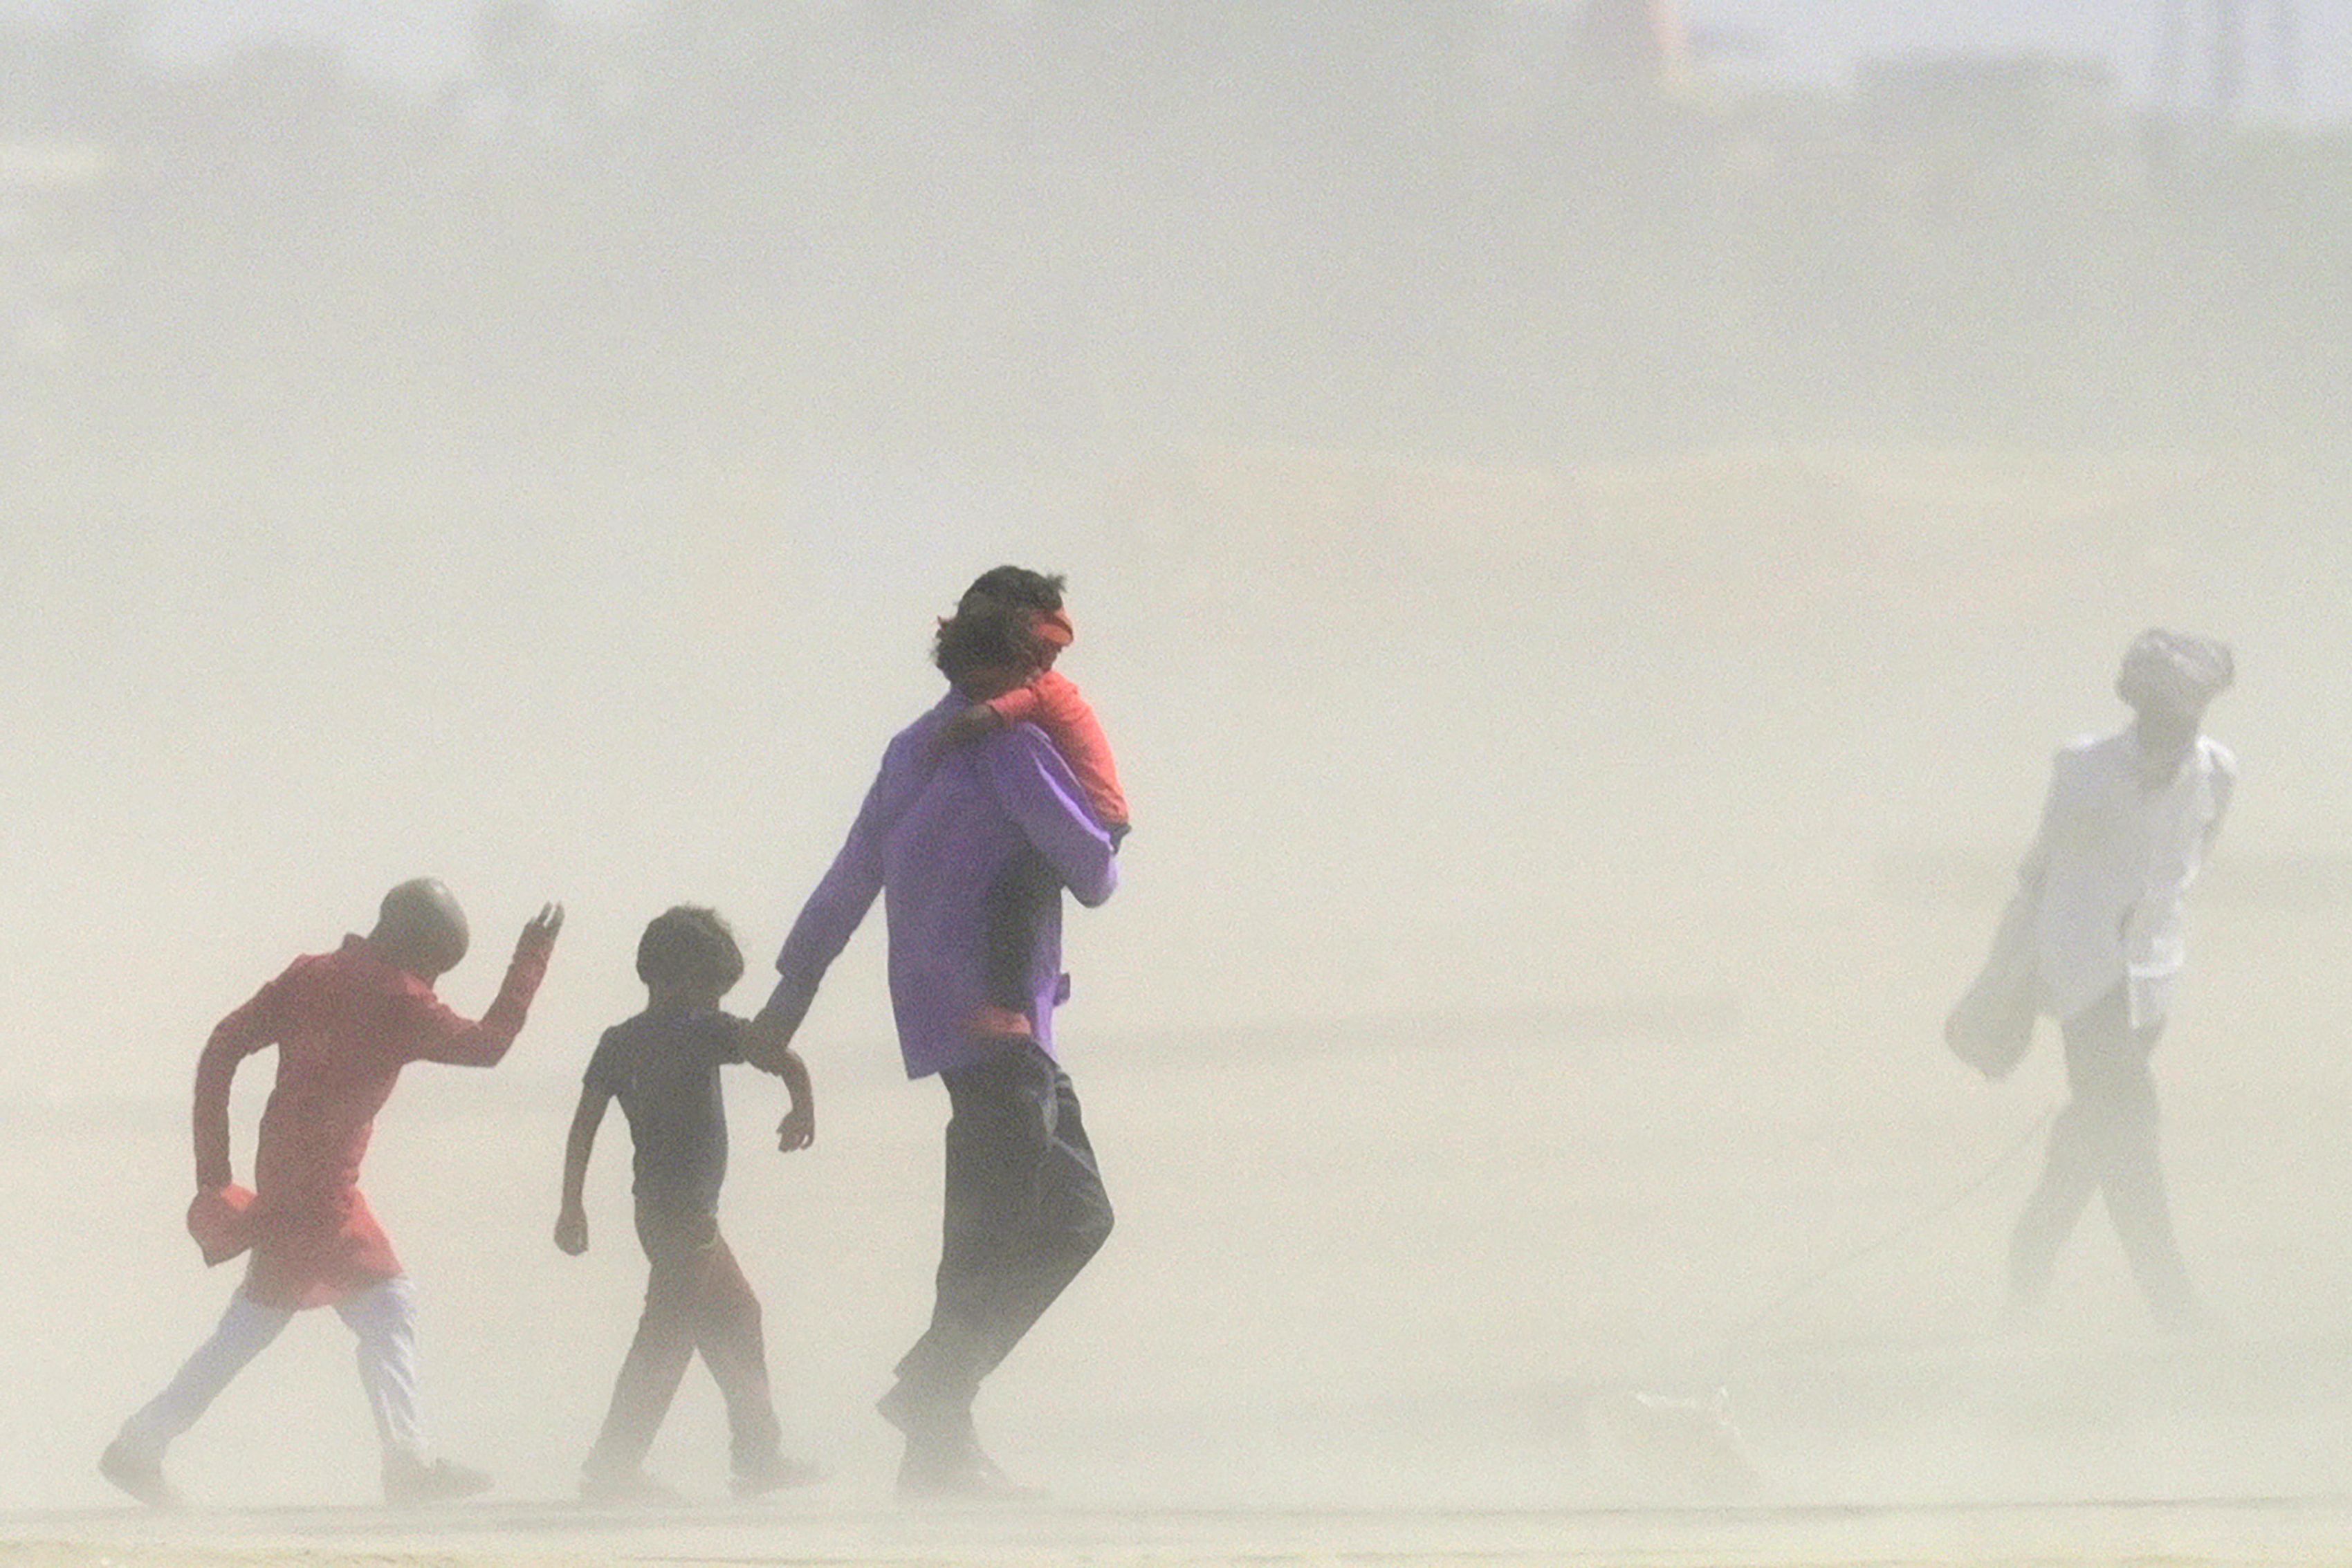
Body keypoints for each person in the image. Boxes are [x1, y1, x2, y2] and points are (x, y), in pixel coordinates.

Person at [745, 569, 1121, 1498]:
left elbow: (847, 878)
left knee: (1041, 1215)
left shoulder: (911, 747)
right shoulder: (1015, 747)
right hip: (1002, 1020)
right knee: (1022, 1222)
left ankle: (934, 1434)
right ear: (1019, 652)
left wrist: (789, 995)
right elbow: (1096, 871)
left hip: (946, 1018)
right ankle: (937, 1400)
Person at [101, 880, 564, 1508]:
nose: (435, 983)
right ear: (417, 951)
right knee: (356, 1308)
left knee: (287, 1320)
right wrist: (532, 957)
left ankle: (140, 1446)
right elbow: (489, 1046)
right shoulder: (401, 998)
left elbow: (221, 1048)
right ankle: (404, 1462)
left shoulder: (309, 975)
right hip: (319, 1189)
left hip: (292, 1169)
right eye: (435, 967)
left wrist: (213, 1173)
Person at [2001, 630, 2236, 1333]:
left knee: (2095, 1132)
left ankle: (2029, 1255)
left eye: (2184, 718)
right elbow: (2038, 873)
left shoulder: (2217, 772)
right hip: (2085, 976)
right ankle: (2175, 1308)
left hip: (2150, 980)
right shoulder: (2082, 769)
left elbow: (2187, 867)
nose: (2171, 732)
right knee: (2132, 1129)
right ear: (2138, 710)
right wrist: (2007, 979)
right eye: (2159, 717)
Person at [555, 905, 818, 1502]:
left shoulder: (621, 1041)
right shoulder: (701, 1029)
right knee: (666, 1336)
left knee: (738, 1316)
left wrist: (572, 1206)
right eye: (712, 991)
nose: (719, 1005)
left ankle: (757, 1456)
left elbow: (582, 1130)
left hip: (662, 1213)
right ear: (676, 979)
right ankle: (613, 1466)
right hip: (685, 1219)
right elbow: (776, 1051)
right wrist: (802, 1103)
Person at [932, 569, 1129, 1046]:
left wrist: (951, 733)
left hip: (1097, 818)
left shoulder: (1042, 693)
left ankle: (1008, 1007)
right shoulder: (1045, 690)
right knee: (1016, 895)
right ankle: (1014, 1004)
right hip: (1096, 814)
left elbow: (993, 715)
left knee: (1014, 895)